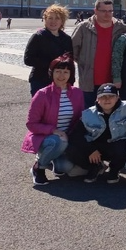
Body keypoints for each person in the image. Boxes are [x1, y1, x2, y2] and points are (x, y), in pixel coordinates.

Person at [21, 54, 85, 185]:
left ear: (71, 74)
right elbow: (31, 124)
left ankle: (55, 159)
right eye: (58, 71)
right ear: (52, 72)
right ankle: (39, 167)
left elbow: (80, 118)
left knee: (65, 167)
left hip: (67, 139)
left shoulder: (77, 93)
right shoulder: (42, 94)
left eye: (65, 72)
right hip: (46, 138)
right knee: (57, 141)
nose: (61, 76)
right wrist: (53, 130)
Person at [66, 84, 126, 184]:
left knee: (123, 145)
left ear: (117, 97)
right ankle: (95, 167)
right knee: (71, 148)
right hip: (96, 149)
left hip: (116, 146)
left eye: (111, 96)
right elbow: (75, 136)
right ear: (97, 99)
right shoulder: (88, 114)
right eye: (103, 97)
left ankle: (114, 170)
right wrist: (90, 150)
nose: (107, 99)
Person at [71, 0, 126, 107]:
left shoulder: (121, 28)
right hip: (89, 82)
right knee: (89, 114)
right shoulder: (83, 27)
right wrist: (84, 64)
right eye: (104, 11)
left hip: (112, 82)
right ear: (95, 11)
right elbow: (73, 50)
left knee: (110, 115)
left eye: (110, 11)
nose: (108, 14)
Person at [23, 4, 74, 96]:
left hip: (61, 81)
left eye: (57, 18)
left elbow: (70, 62)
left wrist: (71, 80)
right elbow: (28, 59)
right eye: (50, 18)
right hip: (40, 80)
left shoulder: (66, 39)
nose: (53, 21)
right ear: (45, 20)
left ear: (62, 21)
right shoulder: (38, 37)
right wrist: (52, 64)